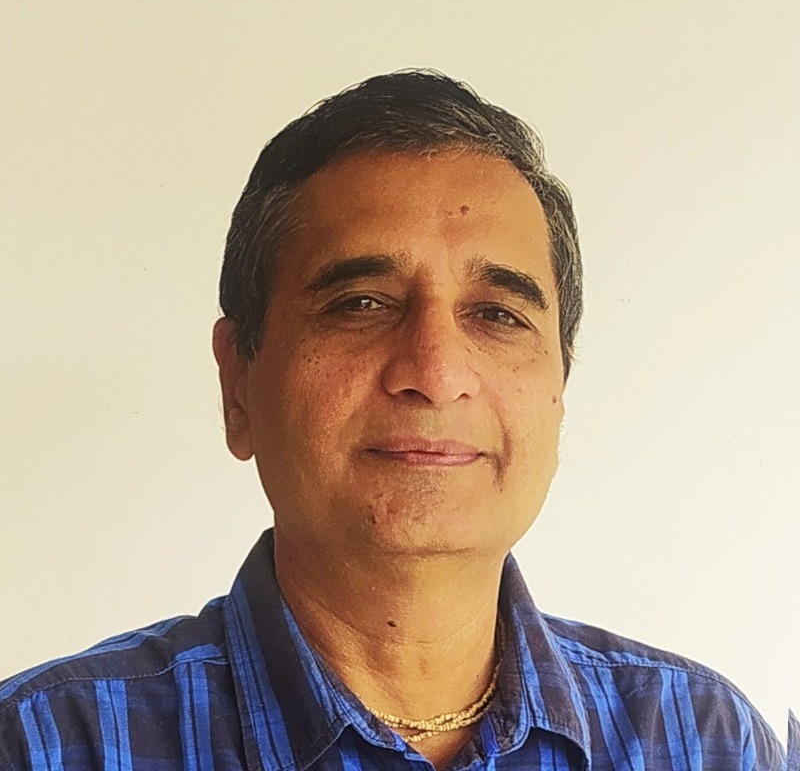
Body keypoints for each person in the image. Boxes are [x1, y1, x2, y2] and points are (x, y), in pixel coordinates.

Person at [0, 70, 787, 771]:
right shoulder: (47, 744)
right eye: (361, 304)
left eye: (497, 314)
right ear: (238, 382)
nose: (435, 373)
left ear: (559, 386)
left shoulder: (707, 740)